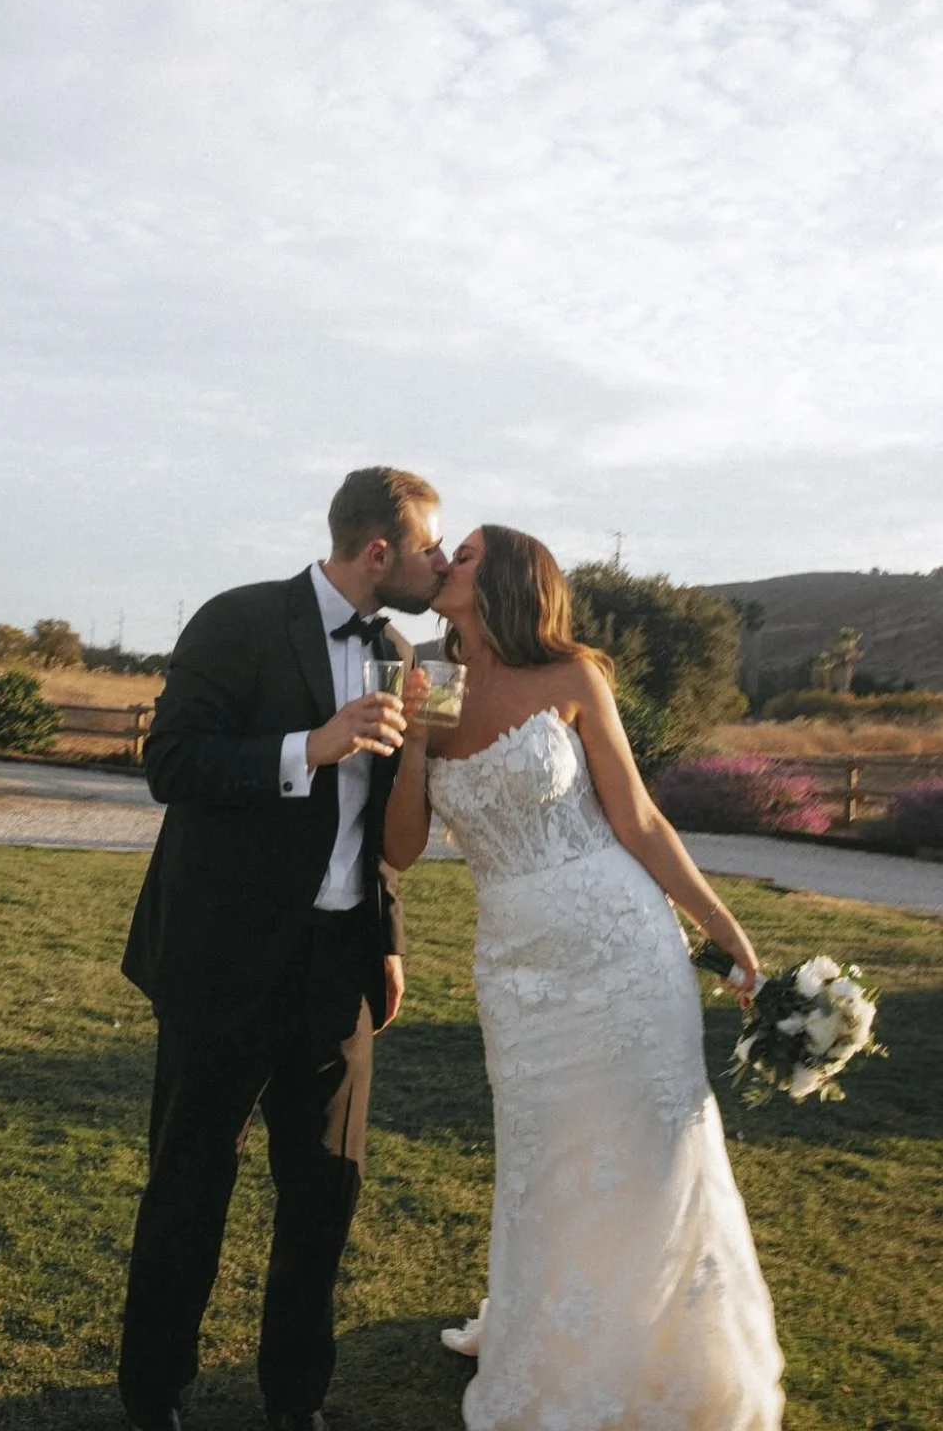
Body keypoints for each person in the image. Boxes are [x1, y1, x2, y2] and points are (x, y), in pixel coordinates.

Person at [383, 525, 784, 1430]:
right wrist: (411, 742)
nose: (448, 560)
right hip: (519, 971)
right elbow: (400, 850)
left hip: (624, 947)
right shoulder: (434, 688)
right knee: (547, 1160)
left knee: (653, 1149)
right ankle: (555, 1342)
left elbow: (639, 822)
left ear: (515, 581)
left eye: (471, 553)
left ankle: (663, 1352)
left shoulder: (574, 678)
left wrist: (723, 930)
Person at [118, 467, 448, 1431]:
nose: (437, 561)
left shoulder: (397, 650)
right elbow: (170, 762)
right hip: (222, 961)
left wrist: (382, 933)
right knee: (190, 1182)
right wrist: (308, 745)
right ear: (378, 551)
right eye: (430, 544)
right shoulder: (239, 619)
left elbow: (375, 820)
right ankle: (153, 1396)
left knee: (323, 1199)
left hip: (337, 971)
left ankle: (295, 1400)